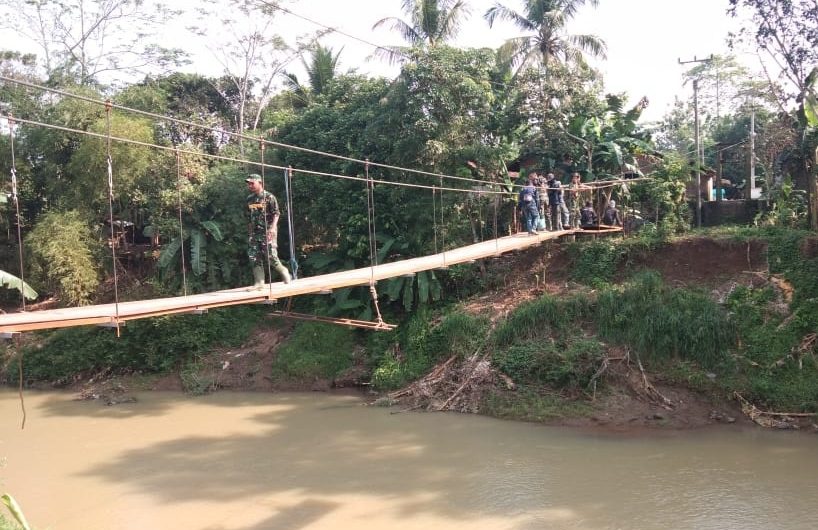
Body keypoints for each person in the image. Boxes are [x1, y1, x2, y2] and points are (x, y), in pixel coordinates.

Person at [245, 174, 291, 288]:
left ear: (260, 183)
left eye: (252, 183)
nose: (250, 185)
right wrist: (250, 233)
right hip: (255, 233)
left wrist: (272, 228)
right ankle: (259, 282)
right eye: (248, 183)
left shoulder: (269, 197)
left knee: (270, 255)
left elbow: (276, 213)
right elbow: (248, 217)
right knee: (254, 257)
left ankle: (284, 271)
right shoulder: (249, 199)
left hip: (268, 231)